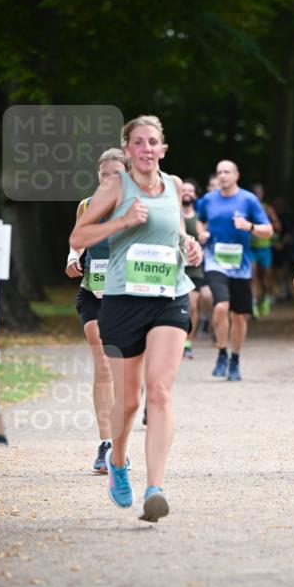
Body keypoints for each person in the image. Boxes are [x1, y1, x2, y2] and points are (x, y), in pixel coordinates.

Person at [70, 115, 202, 522]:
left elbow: (177, 233)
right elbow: (78, 239)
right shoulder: (115, 187)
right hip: (123, 299)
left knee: (159, 390)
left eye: (153, 142)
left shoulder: (175, 186)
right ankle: (119, 462)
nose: (147, 149)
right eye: (139, 142)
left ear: (163, 149)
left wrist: (189, 246)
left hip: (169, 296)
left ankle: (155, 488)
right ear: (127, 150)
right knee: (127, 403)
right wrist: (123, 221)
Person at [65, 148, 129, 473]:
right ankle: (106, 444)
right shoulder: (87, 206)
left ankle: (121, 442)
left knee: (123, 370)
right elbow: (77, 240)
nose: (108, 181)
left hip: (129, 299)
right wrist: (73, 259)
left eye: (116, 175)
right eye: (104, 175)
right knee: (103, 362)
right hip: (93, 294)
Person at [196, 159, 272, 381]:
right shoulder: (208, 200)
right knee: (220, 306)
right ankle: (221, 351)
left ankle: (235, 359)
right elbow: (200, 222)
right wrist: (202, 233)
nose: (222, 176)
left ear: (236, 175)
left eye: (227, 172)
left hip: (241, 265)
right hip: (214, 260)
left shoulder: (248, 200)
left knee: (239, 316)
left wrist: (249, 226)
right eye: (219, 172)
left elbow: (267, 230)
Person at [181, 178, 213, 357]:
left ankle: (187, 343)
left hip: (194, 268)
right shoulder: (173, 213)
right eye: (183, 190)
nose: (186, 193)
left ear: (195, 194)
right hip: (173, 268)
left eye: (190, 190)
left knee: (192, 306)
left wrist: (204, 236)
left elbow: (204, 233)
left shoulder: (199, 217)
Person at [249, 183, 282, 317]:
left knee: (264, 279)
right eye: (254, 192)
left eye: (259, 192)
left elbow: (278, 227)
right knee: (251, 276)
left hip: (264, 248)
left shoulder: (267, 209)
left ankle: (265, 299)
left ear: (262, 195)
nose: (257, 195)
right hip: (250, 247)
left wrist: (268, 225)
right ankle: (253, 303)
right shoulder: (247, 208)